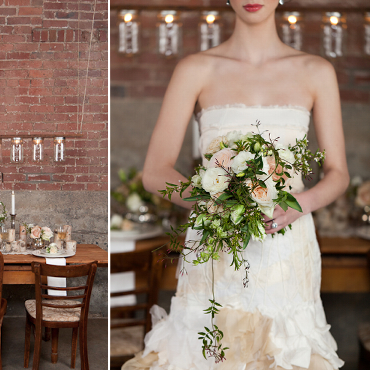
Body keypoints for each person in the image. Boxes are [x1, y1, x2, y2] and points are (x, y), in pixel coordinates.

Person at [122, 0, 349, 369]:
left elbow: (338, 173)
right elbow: (155, 172)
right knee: (206, 350)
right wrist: (212, 204)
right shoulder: (195, 69)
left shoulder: (316, 71)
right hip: (216, 242)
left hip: (287, 245)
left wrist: (298, 205)